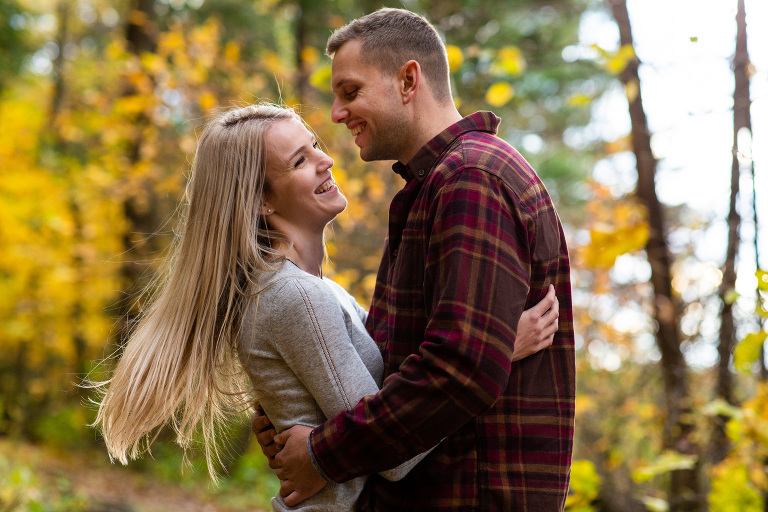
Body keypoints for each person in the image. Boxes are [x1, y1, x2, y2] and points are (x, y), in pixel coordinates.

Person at [90, 103, 559, 512]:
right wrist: (497, 347)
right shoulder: (295, 297)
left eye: (314, 145)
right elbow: (394, 454)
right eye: (300, 160)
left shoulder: (317, 291)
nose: (326, 159)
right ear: (262, 202)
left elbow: (376, 397)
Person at [260, 7, 576, 512]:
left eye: (350, 92)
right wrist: (295, 408)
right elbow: (400, 361)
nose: (337, 114)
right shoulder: (438, 185)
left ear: (408, 80)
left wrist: (323, 452)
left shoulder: (472, 178)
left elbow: (460, 367)